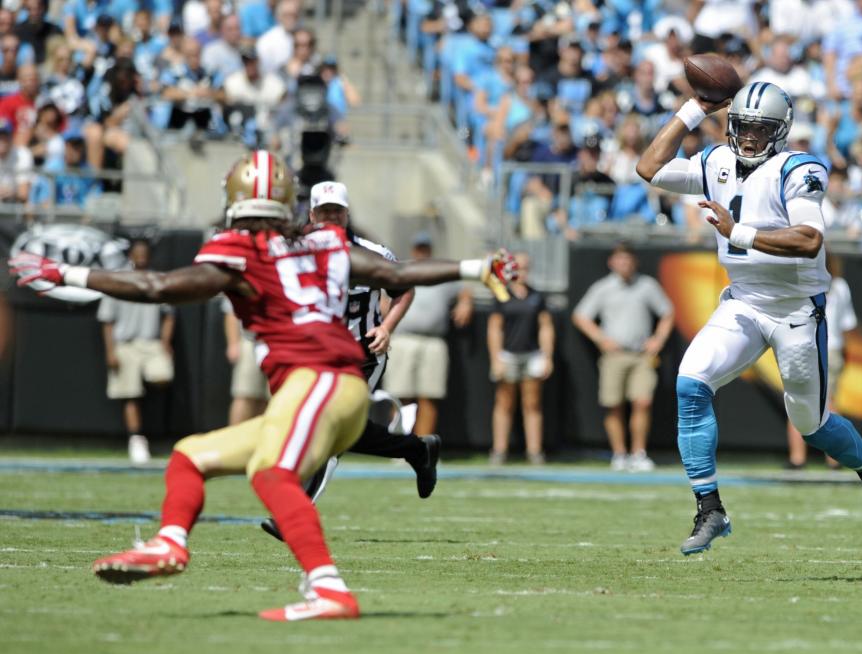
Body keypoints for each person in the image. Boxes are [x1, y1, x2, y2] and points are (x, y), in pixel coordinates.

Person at [10, 150, 516, 621]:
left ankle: (329, 589)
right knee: (191, 457)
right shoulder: (324, 242)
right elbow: (392, 271)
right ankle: (170, 542)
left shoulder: (238, 248)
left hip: (320, 380)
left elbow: (156, 287)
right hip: (332, 386)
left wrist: (67, 272)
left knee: (274, 474)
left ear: (235, 198)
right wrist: (474, 267)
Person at [635, 81, 862, 555]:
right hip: (743, 302)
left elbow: (808, 240)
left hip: (796, 310)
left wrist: (741, 233)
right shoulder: (715, 160)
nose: (750, 137)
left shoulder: (797, 168)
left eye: (761, 129)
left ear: (781, 131)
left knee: (811, 426)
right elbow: (648, 167)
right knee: (690, 383)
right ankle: (710, 507)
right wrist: (693, 109)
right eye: (742, 127)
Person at [259, 181, 441, 543]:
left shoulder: (371, 253)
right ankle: (417, 449)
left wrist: (387, 327)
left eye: (336, 212)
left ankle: (292, 513)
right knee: (335, 429)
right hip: (314, 357)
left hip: (362, 354)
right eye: (323, 212)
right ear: (311, 214)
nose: (330, 218)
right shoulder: (294, 251)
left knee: (327, 429)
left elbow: (404, 287)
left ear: (346, 213)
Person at [572, 243, 674, 472]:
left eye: (628, 260)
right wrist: (601, 338)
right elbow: (580, 316)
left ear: (634, 262)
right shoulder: (603, 287)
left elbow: (667, 313)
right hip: (613, 356)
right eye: (620, 260)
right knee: (613, 404)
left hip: (641, 356)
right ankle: (619, 454)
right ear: (612, 262)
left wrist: (657, 339)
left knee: (642, 402)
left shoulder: (647, 285)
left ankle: (638, 453)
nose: (624, 264)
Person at [382, 232, 474, 437]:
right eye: (419, 248)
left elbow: (464, 287)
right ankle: (400, 446)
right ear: (413, 250)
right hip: (403, 339)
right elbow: (382, 294)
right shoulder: (401, 269)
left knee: (429, 396)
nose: (422, 253)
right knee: (400, 396)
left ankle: (423, 446)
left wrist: (465, 302)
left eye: (425, 249)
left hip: (433, 341)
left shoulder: (439, 272)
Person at [96, 240, 175, 465]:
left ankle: (155, 429)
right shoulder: (118, 281)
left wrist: (165, 342)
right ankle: (137, 440)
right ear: (130, 255)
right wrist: (110, 351)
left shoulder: (157, 280)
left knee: (162, 377)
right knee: (129, 393)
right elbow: (107, 321)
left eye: (145, 253)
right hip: (125, 344)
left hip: (151, 343)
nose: (141, 257)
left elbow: (169, 314)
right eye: (137, 253)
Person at [786, 255, 858, 469]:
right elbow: (848, 324)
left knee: (796, 400)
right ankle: (834, 459)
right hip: (832, 347)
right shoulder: (839, 286)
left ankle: (797, 459)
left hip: (805, 346)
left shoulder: (799, 283)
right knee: (830, 403)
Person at [488, 252, 554, 466]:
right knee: (504, 403)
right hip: (508, 355)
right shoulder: (502, 295)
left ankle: (534, 451)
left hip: (532, 355)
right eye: (518, 268)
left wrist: (547, 356)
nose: (521, 272)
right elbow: (495, 329)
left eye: (525, 268)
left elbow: (545, 327)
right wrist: (496, 358)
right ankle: (499, 450)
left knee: (532, 404)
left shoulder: (537, 297)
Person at [223, 299, 269, 425]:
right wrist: (233, 343)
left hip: (280, 342)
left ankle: (259, 442)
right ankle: (233, 441)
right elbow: (231, 311)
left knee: (270, 400)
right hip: (251, 341)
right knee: (245, 394)